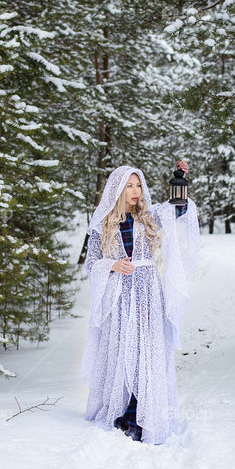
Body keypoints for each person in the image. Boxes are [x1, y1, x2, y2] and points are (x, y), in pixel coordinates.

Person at [78, 161, 200, 444]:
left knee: (147, 351)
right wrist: (113, 265)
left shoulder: (150, 216)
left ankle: (141, 412)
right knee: (123, 349)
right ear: (117, 190)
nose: (136, 191)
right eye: (129, 186)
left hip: (147, 293)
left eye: (138, 185)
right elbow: (92, 263)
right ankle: (121, 408)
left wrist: (179, 180)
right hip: (119, 296)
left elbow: (179, 209)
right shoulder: (102, 224)